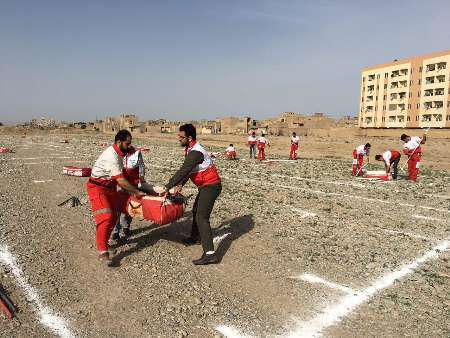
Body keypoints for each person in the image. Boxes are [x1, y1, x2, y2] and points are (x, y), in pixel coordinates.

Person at [163, 124, 222, 265]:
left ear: (189, 138)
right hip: (205, 186)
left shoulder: (196, 152)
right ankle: (195, 237)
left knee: (202, 217)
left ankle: (210, 254)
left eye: (181, 137)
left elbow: (184, 170)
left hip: (211, 186)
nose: (179, 139)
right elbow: (190, 171)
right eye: (178, 136)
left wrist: (167, 187)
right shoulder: (190, 149)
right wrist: (180, 185)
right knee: (196, 211)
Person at [87, 130, 146, 265]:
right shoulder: (111, 156)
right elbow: (121, 180)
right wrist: (136, 192)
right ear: (119, 142)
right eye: (127, 143)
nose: (129, 146)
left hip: (110, 187)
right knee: (106, 216)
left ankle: (103, 241)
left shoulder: (120, 152)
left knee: (114, 216)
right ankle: (102, 251)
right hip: (97, 188)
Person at [112, 145, 151, 241]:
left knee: (130, 206)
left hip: (132, 185)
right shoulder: (116, 153)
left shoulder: (137, 153)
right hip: (119, 184)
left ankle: (126, 227)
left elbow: (141, 166)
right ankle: (115, 231)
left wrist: (142, 179)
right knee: (116, 208)